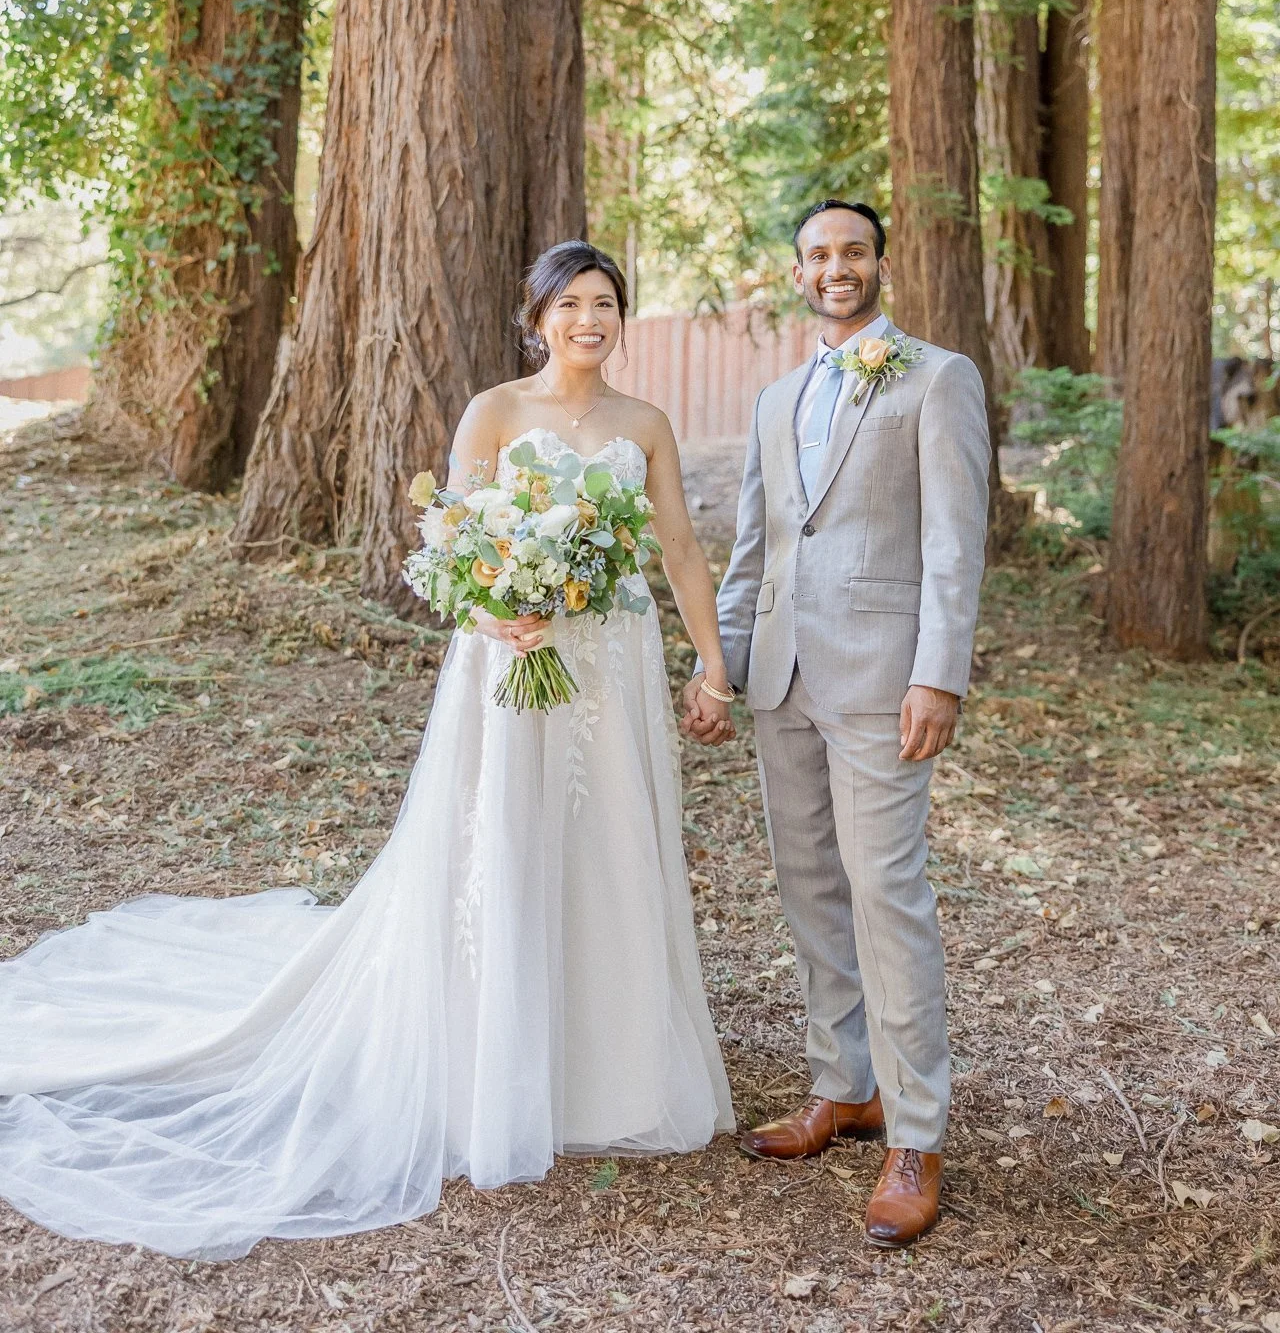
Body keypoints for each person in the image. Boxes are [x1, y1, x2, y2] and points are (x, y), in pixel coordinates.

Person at [0, 241, 736, 1261]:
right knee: (505, 851)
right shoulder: (495, 411)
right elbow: (451, 541)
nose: (587, 319)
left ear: (622, 318)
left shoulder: (642, 424)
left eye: (604, 303)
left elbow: (680, 551)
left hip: (609, 662)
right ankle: (498, 1065)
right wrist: (491, 616)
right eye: (569, 302)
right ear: (537, 318)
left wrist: (709, 667)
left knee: (610, 848)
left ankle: (608, 1069)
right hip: (510, 664)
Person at [683, 200, 989, 1246]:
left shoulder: (934, 379)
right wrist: (716, 669)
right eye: (816, 255)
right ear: (798, 272)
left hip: (879, 680)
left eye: (852, 251)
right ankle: (841, 1085)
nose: (834, 268)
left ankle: (914, 1132)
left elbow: (954, 541)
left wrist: (936, 675)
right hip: (781, 680)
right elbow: (753, 549)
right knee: (809, 885)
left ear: (879, 262)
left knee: (885, 892)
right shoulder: (777, 397)